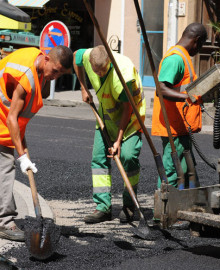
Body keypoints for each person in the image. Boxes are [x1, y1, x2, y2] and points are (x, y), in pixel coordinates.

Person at [0, 45, 73, 241]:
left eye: (60, 75)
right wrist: (22, 157)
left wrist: (49, 78)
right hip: (4, 120)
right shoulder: (26, 77)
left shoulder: (40, 64)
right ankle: (5, 223)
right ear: (47, 59)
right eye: (55, 71)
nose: (55, 76)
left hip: (7, 118)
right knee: (6, 166)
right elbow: (12, 119)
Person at [73, 45, 146, 224]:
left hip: (130, 121)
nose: (98, 75)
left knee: (128, 157)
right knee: (99, 159)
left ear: (110, 63)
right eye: (95, 72)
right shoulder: (90, 56)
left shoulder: (124, 75)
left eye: (102, 71)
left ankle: (129, 205)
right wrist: (83, 87)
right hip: (106, 118)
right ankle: (102, 207)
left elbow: (127, 108)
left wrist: (118, 141)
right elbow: (76, 56)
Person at [151, 23, 207, 189]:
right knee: (173, 172)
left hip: (180, 126)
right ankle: (163, 213)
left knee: (185, 169)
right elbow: (161, 89)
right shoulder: (175, 58)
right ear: (196, 41)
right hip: (173, 128)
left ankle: (186, 206)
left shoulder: (182, 57)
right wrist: (188, 98)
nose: (199, 50)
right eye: (201, 45)